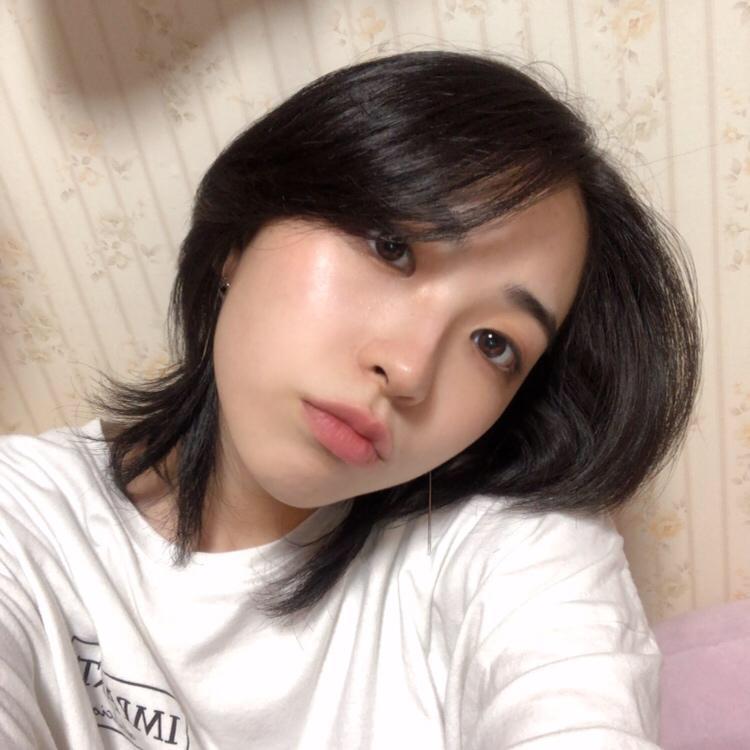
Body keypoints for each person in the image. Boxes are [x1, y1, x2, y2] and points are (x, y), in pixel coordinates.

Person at [0, 50, 700, 749]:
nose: (409, 370)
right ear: (241, 237)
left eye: (493, 344)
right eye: (391, 246)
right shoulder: (27, 522)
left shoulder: (511, 546)